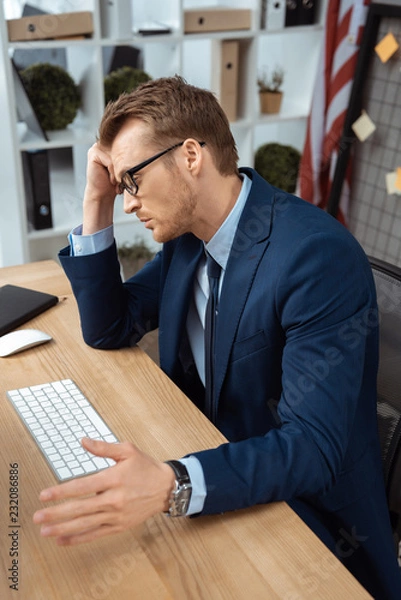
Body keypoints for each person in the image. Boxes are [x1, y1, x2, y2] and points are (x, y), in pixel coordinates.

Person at [33, 76, 401, 598]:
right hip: (216, 466)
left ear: (189, 156)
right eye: (120, 187)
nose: (129, 202)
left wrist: (172, 484)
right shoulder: (188, 239)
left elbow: (314, 449)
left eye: (131, 181)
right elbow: (111, 327)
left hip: (310, 525)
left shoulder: (315, 258)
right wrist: (96, 201)